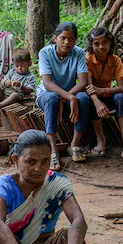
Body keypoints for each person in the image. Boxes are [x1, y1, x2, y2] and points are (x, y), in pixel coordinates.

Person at [84, 25, 123, 169]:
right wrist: (98, 100)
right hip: (92, 97)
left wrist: (102, 90)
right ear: (91, 45)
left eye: (104, 43)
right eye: (96, 44)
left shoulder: (115, 60)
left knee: (120, 99)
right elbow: (89, 88)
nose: (101, 47)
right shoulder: (87, 60)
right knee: (89, 101)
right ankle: (100, 140)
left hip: (106, 94)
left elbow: (121, 88)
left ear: (110, 43)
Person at [36, 22, 94, 169]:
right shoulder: (45, 53)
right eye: (63, 38)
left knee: (84, 98)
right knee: (52, 97)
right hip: (48, 95)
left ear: (75, 40)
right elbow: (48, 84)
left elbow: (82, 82)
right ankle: (53, 150)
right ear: (55, 38)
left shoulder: (79, 53)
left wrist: (68, 97)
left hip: (69, 93)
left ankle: (74, 145)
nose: (67, 42)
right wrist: (70, 97)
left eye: (71, 39)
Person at [0, 48, 38, 114]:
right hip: (4, 94)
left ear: (30, 63)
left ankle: (0, 105)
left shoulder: (31, 77)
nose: (19, 68)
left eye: (22, 65)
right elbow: (3, 81)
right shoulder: (12, 71)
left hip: (15, 98)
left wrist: (21, 86)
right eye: (17, 66)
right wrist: (6, 83)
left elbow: (29, 90)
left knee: (15, 95)